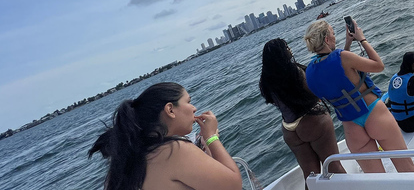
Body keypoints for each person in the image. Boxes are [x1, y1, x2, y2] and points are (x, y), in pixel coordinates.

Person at [304, 19, 414, 173]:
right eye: (333, 33)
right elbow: (378, 65)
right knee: (407, 169)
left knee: (376, 181)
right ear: (326, 39)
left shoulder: (309, 72)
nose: (334, 37)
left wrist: (347, 44)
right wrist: (362, 39)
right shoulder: (342, 57)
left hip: (351, 126)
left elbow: (337, 72)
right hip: (374, 114)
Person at [88, 82, 241, 190]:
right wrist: (211, 138)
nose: (194, 108)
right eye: (188, 101)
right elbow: (233, 186)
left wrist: (206, 147)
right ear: (170, 110)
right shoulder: (173, 150)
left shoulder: (126, 162)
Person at [259, 39, 345, 189]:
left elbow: (273, 100)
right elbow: (314, 91)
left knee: (310, 175)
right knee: (333, 165)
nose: (289, 49)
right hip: (312, 120)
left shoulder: (265, 81)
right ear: (282, 52)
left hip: (289, 129)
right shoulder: (295, 71)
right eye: (286, 47)